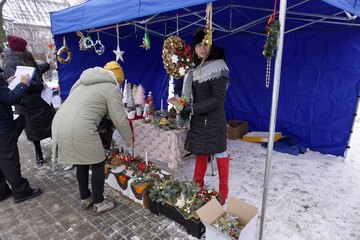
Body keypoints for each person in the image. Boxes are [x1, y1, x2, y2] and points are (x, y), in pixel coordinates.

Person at [51, 61, 133, 214]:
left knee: (81, 160)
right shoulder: (111, 89)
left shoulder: (82, 81)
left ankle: (85, 198)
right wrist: (129, 138)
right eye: (119, 83)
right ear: (116, 79)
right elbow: (119, 117)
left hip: (59, 122)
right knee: (97, 162)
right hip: (81, 127)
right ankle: (99, 202)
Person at [180, 29, 230, 205]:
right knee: (200, 153)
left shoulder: (218, 66)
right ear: (194, 47)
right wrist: (182, 104)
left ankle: (224, 192)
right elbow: (191, 96)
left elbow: (218, 99)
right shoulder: (194, 68)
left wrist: (192, 108)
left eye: (205, 44)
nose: (202, 48)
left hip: (214, 120)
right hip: (199, 120)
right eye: (198, 44)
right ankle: (197, 189)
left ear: (210, 45)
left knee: (221, 153)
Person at [2, 35, 55, 166]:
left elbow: (35, 71)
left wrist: (47, 65)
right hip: (28, 104)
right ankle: (39, 153)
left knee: (51, 126)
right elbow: (22, 84)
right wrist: (40, 86)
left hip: (42, 100)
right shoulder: (10, 63)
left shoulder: (24, 57)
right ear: (19, 49)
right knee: (34, 130)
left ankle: (57, 149)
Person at [0, 65, 42, 203]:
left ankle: (2, 190)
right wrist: (23, 84)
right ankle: (21, 191)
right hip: (3, 129)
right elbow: (11, 98)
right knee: (9, 160)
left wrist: (5, 82)